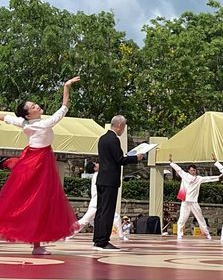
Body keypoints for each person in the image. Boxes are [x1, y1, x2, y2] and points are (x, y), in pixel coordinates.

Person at [0, 76, 81, 255]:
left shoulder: (24, 122)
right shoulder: (44, 124)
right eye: (33, 106)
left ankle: (37, 245)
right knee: (37, 201)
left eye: (35, 104)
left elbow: (4, 117)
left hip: (34, 159)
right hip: (38, 163)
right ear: (29, 114)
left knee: (35, 202)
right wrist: (66, 86)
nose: (37, 106)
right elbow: (64, 108)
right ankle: (37, 245)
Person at [92, 115, 143, 251]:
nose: (123, 130)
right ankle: (103, 241)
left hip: (102, 179)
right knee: (108, 211)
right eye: (124, 127)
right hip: (110, 181)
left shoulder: (103, 138)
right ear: (119, 125)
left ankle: (97, 239)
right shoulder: (113, 139)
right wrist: (136, 158)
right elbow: (119, 160)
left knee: (100, 210)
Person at [71, 162, 129, 241]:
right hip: (96, 203)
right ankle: (67, 232)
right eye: (96, 163)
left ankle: (121, 236)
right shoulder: (98, 175)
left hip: (99, 203)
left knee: (115, 217)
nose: (99, 164)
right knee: (85, 221)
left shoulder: (98, 175)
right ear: (95, 168)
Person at [170, 155, 222, 239]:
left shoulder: (199, 178)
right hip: (185, 201)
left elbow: (208, 179)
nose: (193, 172)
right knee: (182, 218)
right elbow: (178, 169)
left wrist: (218, 177)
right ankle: (179, 234)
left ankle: (207, 233)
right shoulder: (185, 175)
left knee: (200, 218)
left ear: (195, 171)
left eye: (194, 170)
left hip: (194, 202)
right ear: (189, 171)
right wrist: (172, 162)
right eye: (191, 170)